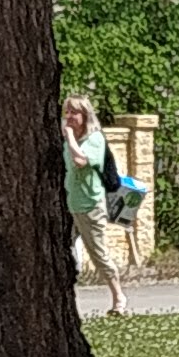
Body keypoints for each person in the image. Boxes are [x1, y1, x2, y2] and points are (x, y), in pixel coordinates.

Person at [61, 96, 127, 318]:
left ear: (85, 115)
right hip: (70, 204)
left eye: (74, 112)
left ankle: (118, 297)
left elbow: (80, 162)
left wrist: (70, 137)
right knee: (60, 250)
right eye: (67, 112)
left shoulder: (94, 139)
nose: (69, 116)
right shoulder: (68, 140)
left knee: (98, 254)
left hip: (90, 206)